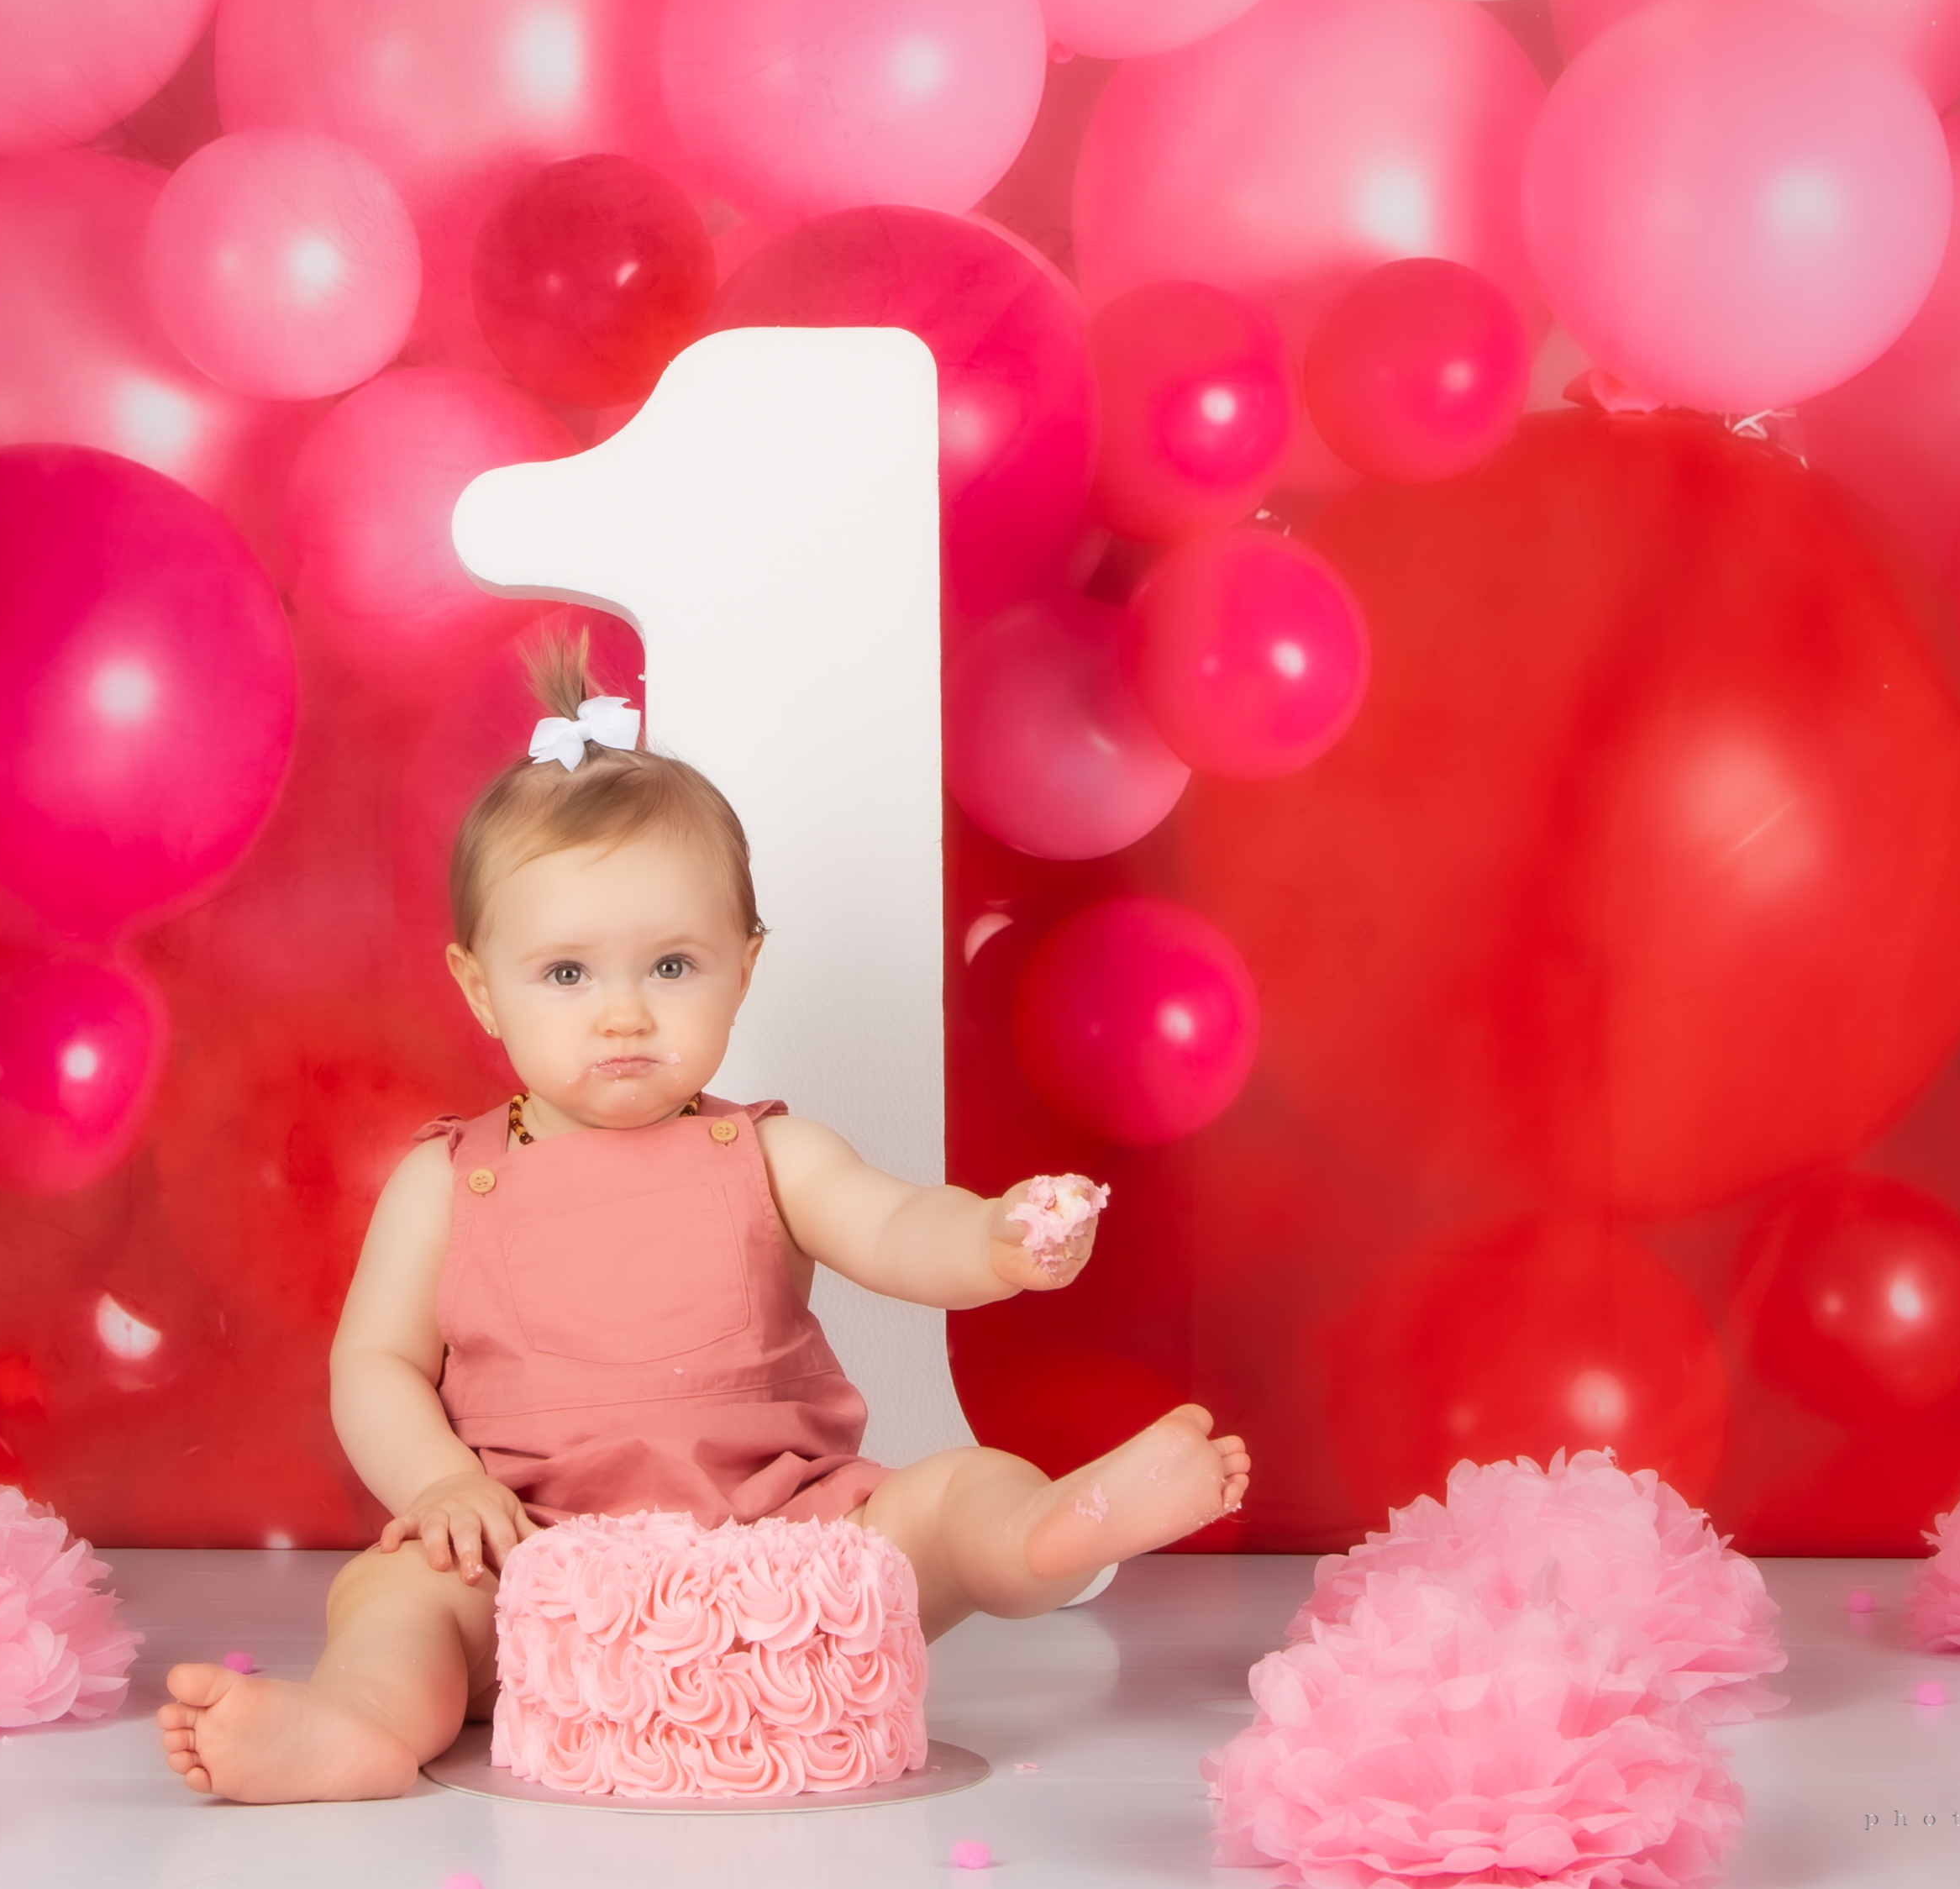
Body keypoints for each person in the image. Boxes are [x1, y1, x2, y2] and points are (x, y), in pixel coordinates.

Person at [157, 637, 1250, 1802]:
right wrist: (439, 1486)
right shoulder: (448, 1178)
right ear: (481, 987)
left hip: (788, 1544)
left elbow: (892, 1228)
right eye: (567, 975)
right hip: (535, 1561)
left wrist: (990, 1240)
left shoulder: (771, 1151)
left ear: (745, 966)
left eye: (672, 966)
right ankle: (362, 1722)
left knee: (950, 1496)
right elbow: (374, 1363)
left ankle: (1049, 1531)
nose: (624, 1014)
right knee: (400, 1596)